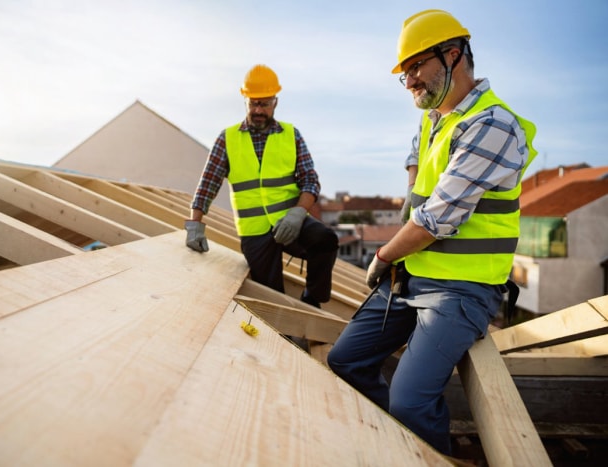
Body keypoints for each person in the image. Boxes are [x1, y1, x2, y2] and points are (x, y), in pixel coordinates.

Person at [327, 9, 537, 455]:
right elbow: (416, 154)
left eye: (417, 67)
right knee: (345, 361)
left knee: (409, 399)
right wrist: (409, 187)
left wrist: (382, 257)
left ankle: (423, 449)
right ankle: (398, 443)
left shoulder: (493, 125)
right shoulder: (437, 116)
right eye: (404, 74)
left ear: (454, 55)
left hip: (461, 289)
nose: (410, 83)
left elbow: (437, 219)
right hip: (413, 273)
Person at [185, 64, 339, 312]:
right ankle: (285, 338)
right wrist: (195, 224)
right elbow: (207, 184)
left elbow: (310, 179)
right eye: (253, 103)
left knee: (326, 239)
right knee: (272, 299)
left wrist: (298, 214)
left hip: (290, 222)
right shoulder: (228, 138)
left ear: (275, 102)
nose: (258, 110)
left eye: (264, 104)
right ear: (245, 100)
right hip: (255, 232)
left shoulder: (291, 135)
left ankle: (312, 299)